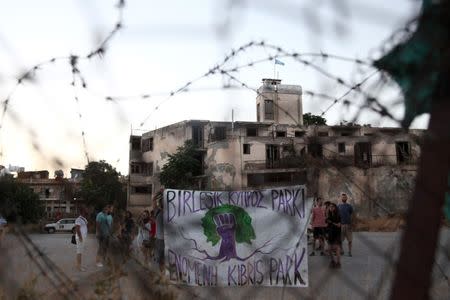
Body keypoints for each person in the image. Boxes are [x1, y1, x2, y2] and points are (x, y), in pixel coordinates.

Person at [326, 203, 342, 268]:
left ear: (335, 208)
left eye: (332, 207)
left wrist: (332, 223)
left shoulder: (338, 215)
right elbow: (327, 224)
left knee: (337, 248)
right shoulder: (329, 216)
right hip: (330, 234)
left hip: (337, 234)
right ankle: (332, 261)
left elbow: (339, 225)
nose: (331, 208)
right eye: (330, 207)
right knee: (329, 249)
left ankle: (338, 262)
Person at [153, 188, 165, 274]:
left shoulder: (171, 212)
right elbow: (153, 199)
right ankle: (162, 274)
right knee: (160, 259)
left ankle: (164, 274)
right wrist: (159, 192)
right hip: (160, 239)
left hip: (168, 240)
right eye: (162, 201)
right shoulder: (157, 211)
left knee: (166, 259)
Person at [75, 206, 89, 271]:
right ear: (83, 211)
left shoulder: (84, 219)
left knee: (80, 252)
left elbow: (85, 227)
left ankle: (78, 265)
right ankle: (79, 267)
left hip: (83, 237)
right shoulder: (78, 219)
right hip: (80, 238)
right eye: (86, 210)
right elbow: (77, 229)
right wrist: (80, 238)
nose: (87, 211)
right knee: (79, 252)